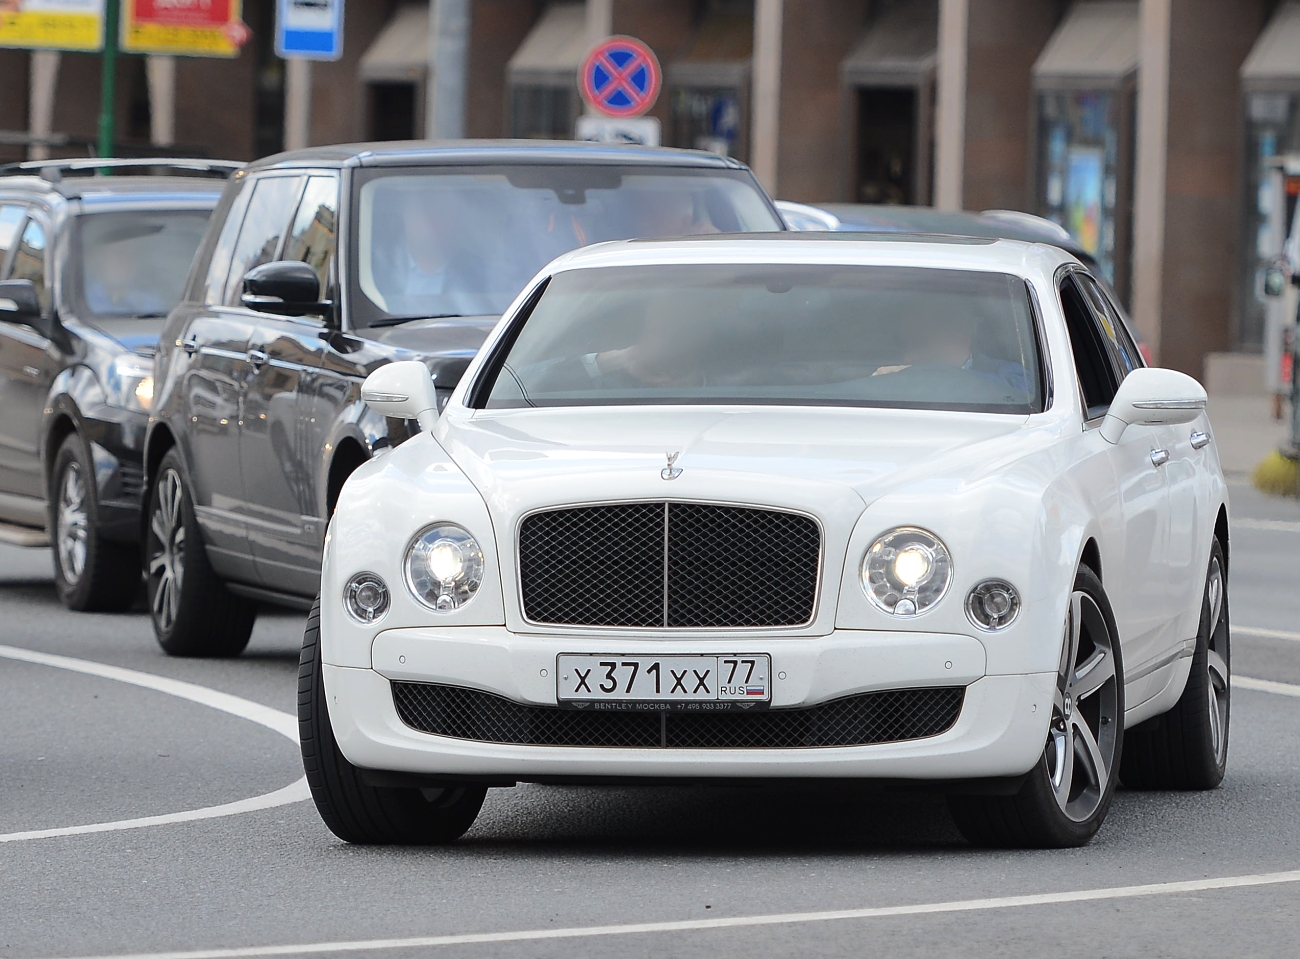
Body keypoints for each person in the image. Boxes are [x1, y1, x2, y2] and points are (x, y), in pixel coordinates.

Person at [881, 308, 1030, 394]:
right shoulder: (881, 376)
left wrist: (929, 373)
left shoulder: (1007, 374)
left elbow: (1027, 395)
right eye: (909, 337)